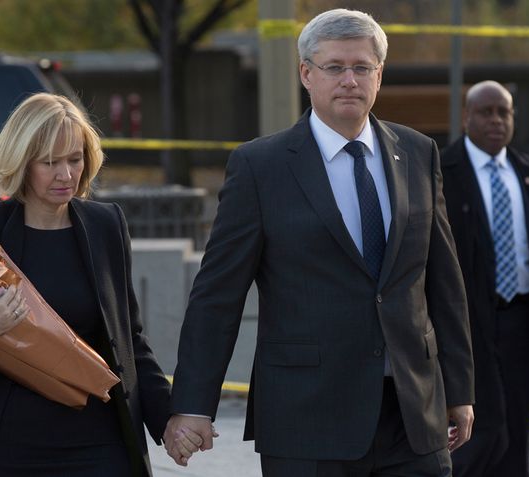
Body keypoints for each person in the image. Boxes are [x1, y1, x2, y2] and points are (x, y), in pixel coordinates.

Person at [163, 8, 475, 476]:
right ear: (306, 74)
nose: (349, 80)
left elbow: (443, 281)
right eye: (334, 67)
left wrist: (461, 388)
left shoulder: (417, 152)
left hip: (412, 416)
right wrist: (192, 404)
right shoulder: (259, 167)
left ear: (379, 74)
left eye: (362, 67)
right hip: (308, 420)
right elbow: (217, 296)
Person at [0, 93, 200, 477]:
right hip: (3, 442)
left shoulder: (106, 225)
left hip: (99, 439)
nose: (66, 174)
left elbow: (128, 340)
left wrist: (167, 419)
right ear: (22, 162)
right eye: (50, 162)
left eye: (75, 159)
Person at [441, 80, 529, 477]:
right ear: (465, 118)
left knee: (516, 434)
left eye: (504, 112)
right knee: (477, 436)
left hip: (525, 325)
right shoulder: (441, 172)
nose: (496, 120)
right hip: (468, 326)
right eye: (485, 111)